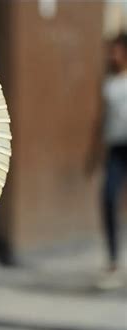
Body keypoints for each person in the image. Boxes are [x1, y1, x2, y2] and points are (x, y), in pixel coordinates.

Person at [87, 33, 127, 289]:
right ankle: (113, 261)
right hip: (115, 149)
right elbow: (102, 119)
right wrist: (93, 152)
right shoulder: (109, 81)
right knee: (108, 198)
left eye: (116, 50)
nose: (111, 55)